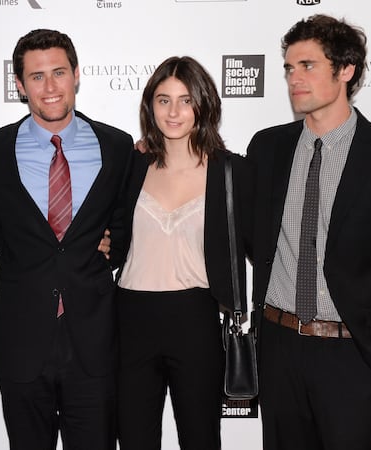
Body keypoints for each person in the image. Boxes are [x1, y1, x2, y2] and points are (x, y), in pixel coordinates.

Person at [248, 14, 371, 450]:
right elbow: (240, 227)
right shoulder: (267, 147)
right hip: (279, 349)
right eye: (289, 68)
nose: (295, 78)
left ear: (346, 70)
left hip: (355, 356)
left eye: (309, 65)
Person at [0, 28, 134, 450]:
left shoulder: (117, 147)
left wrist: (112, 245)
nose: (50, 87)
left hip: (94, 343)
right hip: (21, 344)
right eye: (37, 76)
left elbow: (128, 224)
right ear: (20, 85)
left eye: (59, 72)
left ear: (77, 74)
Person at [114, 56, 253, 450]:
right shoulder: (131, 164)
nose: (174, 111)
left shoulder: (231, 172)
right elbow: (108, 232)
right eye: (163, 100)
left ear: (203, 104)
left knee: (201, 438)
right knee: (135, 439)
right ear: (149, 106)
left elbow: (264, 247)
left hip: (196, 320)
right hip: (130, 318)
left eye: (185, 100)